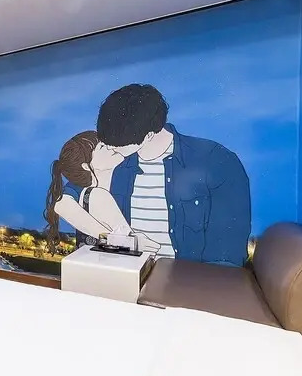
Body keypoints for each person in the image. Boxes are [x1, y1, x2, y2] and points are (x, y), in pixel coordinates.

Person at [96, 84, 251, 266]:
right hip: (123, 273)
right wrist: (99, 173)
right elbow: (73, 200)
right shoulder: (110, 161)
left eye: (117, 144)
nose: (109, 148)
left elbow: (227, 252)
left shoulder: (215, 160)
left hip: (187, 279)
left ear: (149, 135)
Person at [43, 131, 161, 251]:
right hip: (98, 257)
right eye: (102, 146)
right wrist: (119, 240)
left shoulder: (126, 172)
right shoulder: (85, 190)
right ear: (86, 166)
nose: (111, 147)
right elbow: (62, 205)